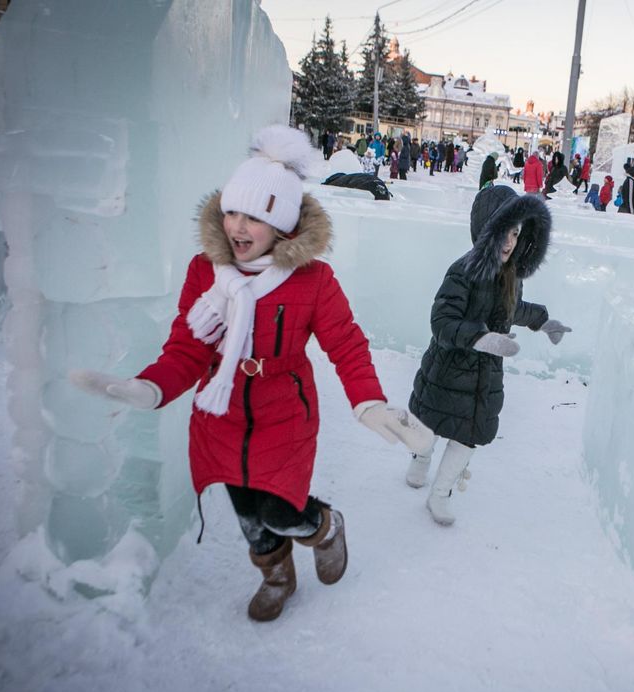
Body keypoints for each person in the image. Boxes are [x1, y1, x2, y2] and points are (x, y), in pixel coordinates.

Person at [69, 126, 431, 622]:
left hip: (285, 409)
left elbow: (346, 343)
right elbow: (187, 347)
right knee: (246, 510)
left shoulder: (314, 280)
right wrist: (151, 387)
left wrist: (367, 400)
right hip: (222, 411)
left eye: (255, 216)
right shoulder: (205, 271)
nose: (238, 225)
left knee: (279, 507)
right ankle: (277, 575)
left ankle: (324, 527)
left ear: (281, 224)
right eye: (233, 211)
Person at [405, 185, 570, 525]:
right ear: (484, 232)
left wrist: (543, 321)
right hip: (448, 370)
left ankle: (440, 494)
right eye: (501, 233)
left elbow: (512, 310)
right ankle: (420, 459)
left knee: (468, 437)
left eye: (514, 233)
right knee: (430, 427)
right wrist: (481, 339)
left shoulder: (512, 276)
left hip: (485, 379)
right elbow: (442, 320)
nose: (509, 242)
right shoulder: (462, 271)